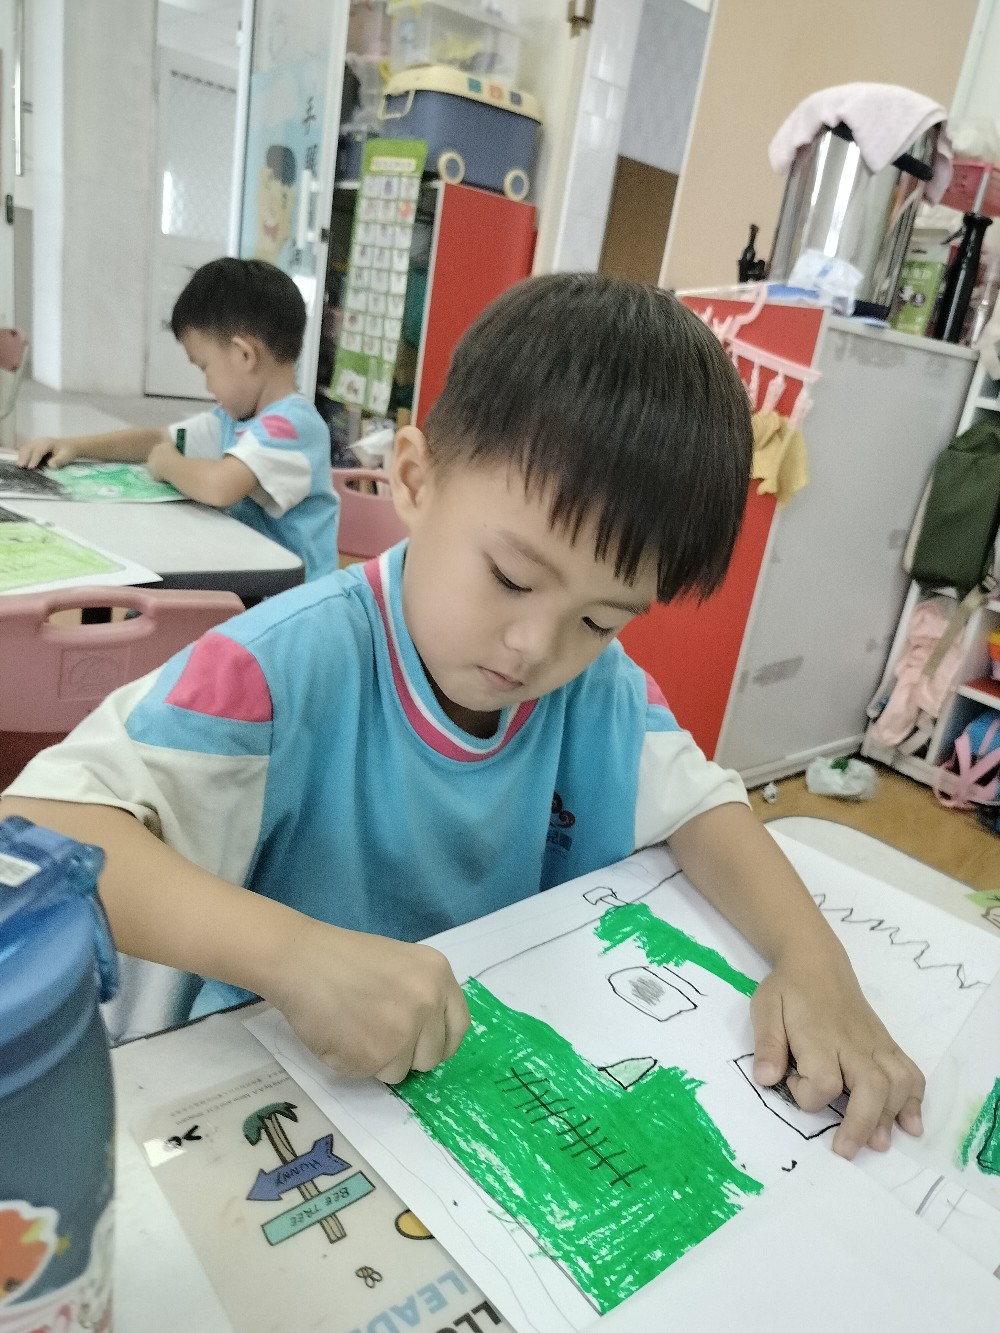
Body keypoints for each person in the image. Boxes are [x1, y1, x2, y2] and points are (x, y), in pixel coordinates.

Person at [1, 273, 924, 1162]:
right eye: (512, 578)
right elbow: (36, 832)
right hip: (263, 1098)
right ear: (414, 478)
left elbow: (704, 805)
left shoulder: (595, 689)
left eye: (601, 619)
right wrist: (291, 955)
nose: (535, 647)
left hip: (465, 1107)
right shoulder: (278, 669)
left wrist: (813, 958)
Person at [17, 258, 338, 581]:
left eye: (205, 367)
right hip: (249, 579)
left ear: (244, 355)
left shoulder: (293, 425)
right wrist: (75, 446)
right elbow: (158, 439)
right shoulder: (234, 420)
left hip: (295, 596)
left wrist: (166, 463)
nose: (207, 386)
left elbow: (219, 486)